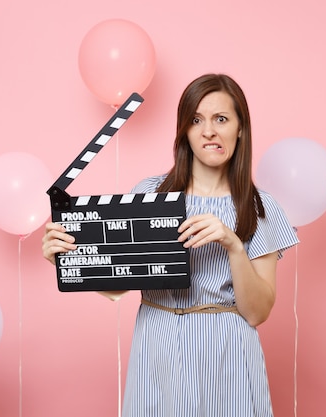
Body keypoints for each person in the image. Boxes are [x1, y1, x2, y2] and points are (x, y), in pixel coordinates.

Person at [42, 73, 299, 417]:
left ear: (240, 128)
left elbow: (258, 312)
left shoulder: (257, 206)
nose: (209, 130)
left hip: (226, 352)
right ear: (185, 130)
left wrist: (233, 245)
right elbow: (119, 288)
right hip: (157, 344)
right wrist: (69, 258)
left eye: (221, 119)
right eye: (197, 120)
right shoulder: (151, 194)